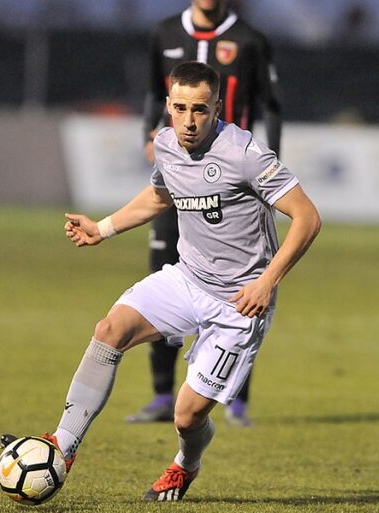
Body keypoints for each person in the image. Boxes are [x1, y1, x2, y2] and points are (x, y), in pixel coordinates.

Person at [2, 62, 320, 502]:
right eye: (181, 108)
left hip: (240, 302)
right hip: (187, 279)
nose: (189, 121)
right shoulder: (166, 144)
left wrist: (268, 282)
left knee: (187, 417)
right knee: (110, 330)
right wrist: (102, 228)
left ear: (218, 108)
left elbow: (307, 217)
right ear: (168, 105)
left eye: (200, 110)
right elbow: (159, 195)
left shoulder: (245, 153)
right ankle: (64, 443)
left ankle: (185, 465)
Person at [130, 0, 283, 426]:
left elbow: (270, 104)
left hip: (232, 182)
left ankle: (236, 399)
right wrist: (147, 134)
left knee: (242, 289)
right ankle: (162, 393)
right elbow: (152, 91)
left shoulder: (250, 39)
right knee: (163, 276)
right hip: (180, 175)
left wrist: (270, 169)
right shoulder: (164, 33)